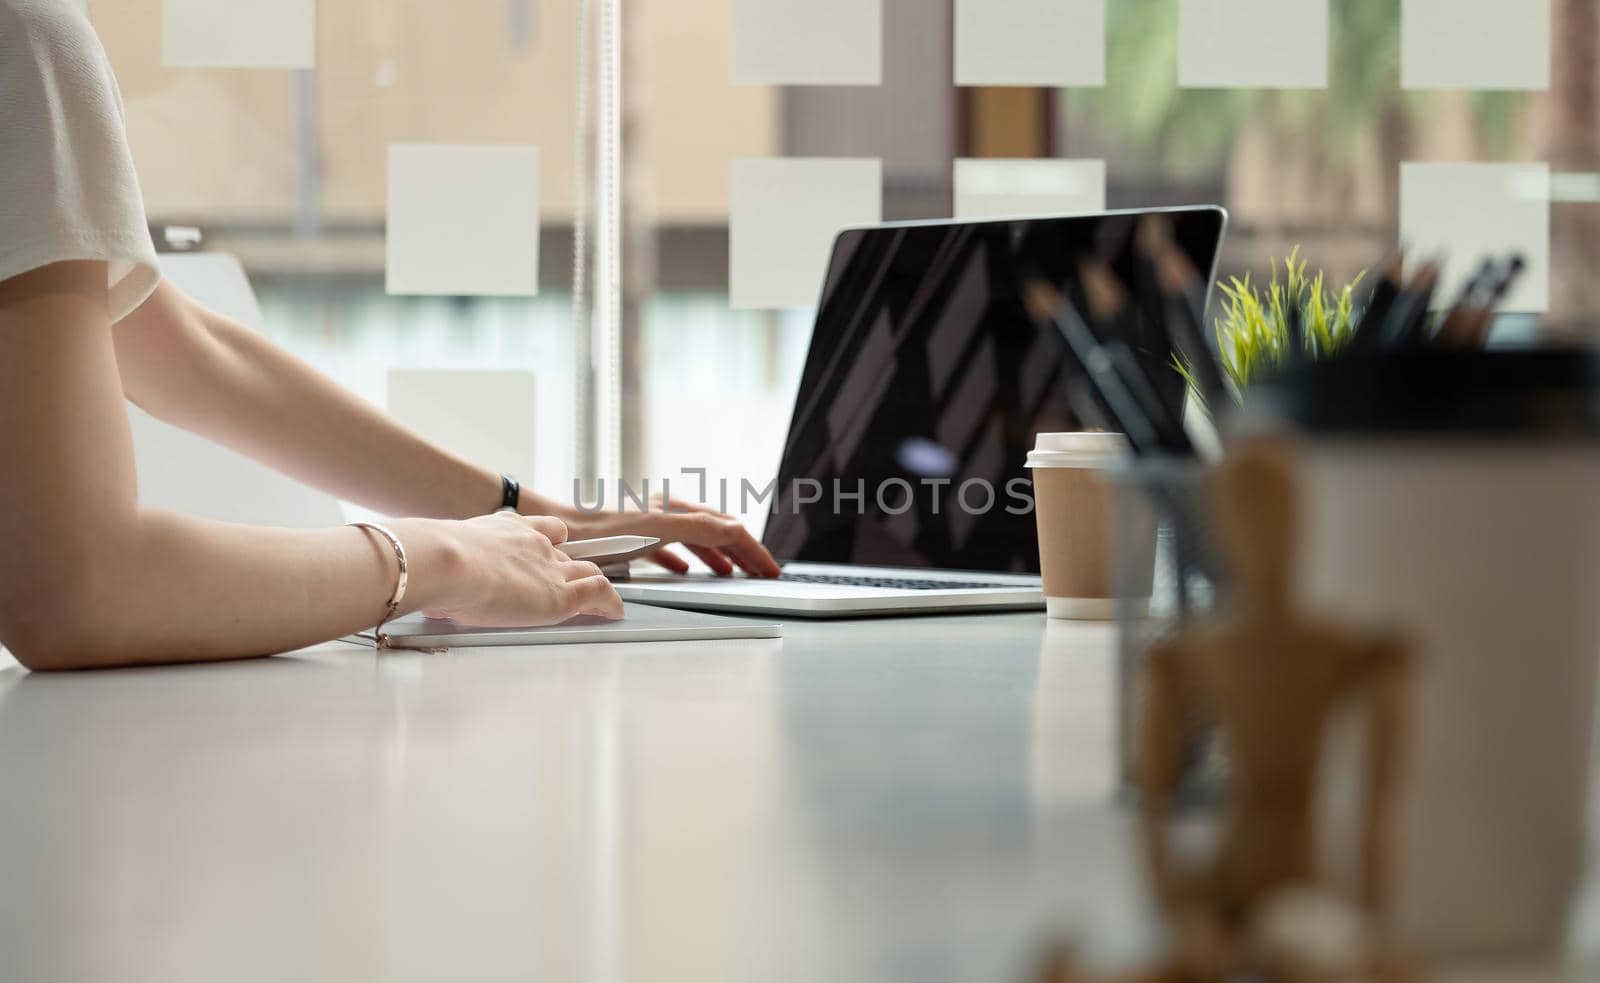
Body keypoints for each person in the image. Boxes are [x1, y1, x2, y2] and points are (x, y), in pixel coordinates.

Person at [0, 0, 781, 671]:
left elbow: (176, 345)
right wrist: (444, 559)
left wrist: (540, 519)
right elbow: (75, 587)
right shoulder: (28, 30)